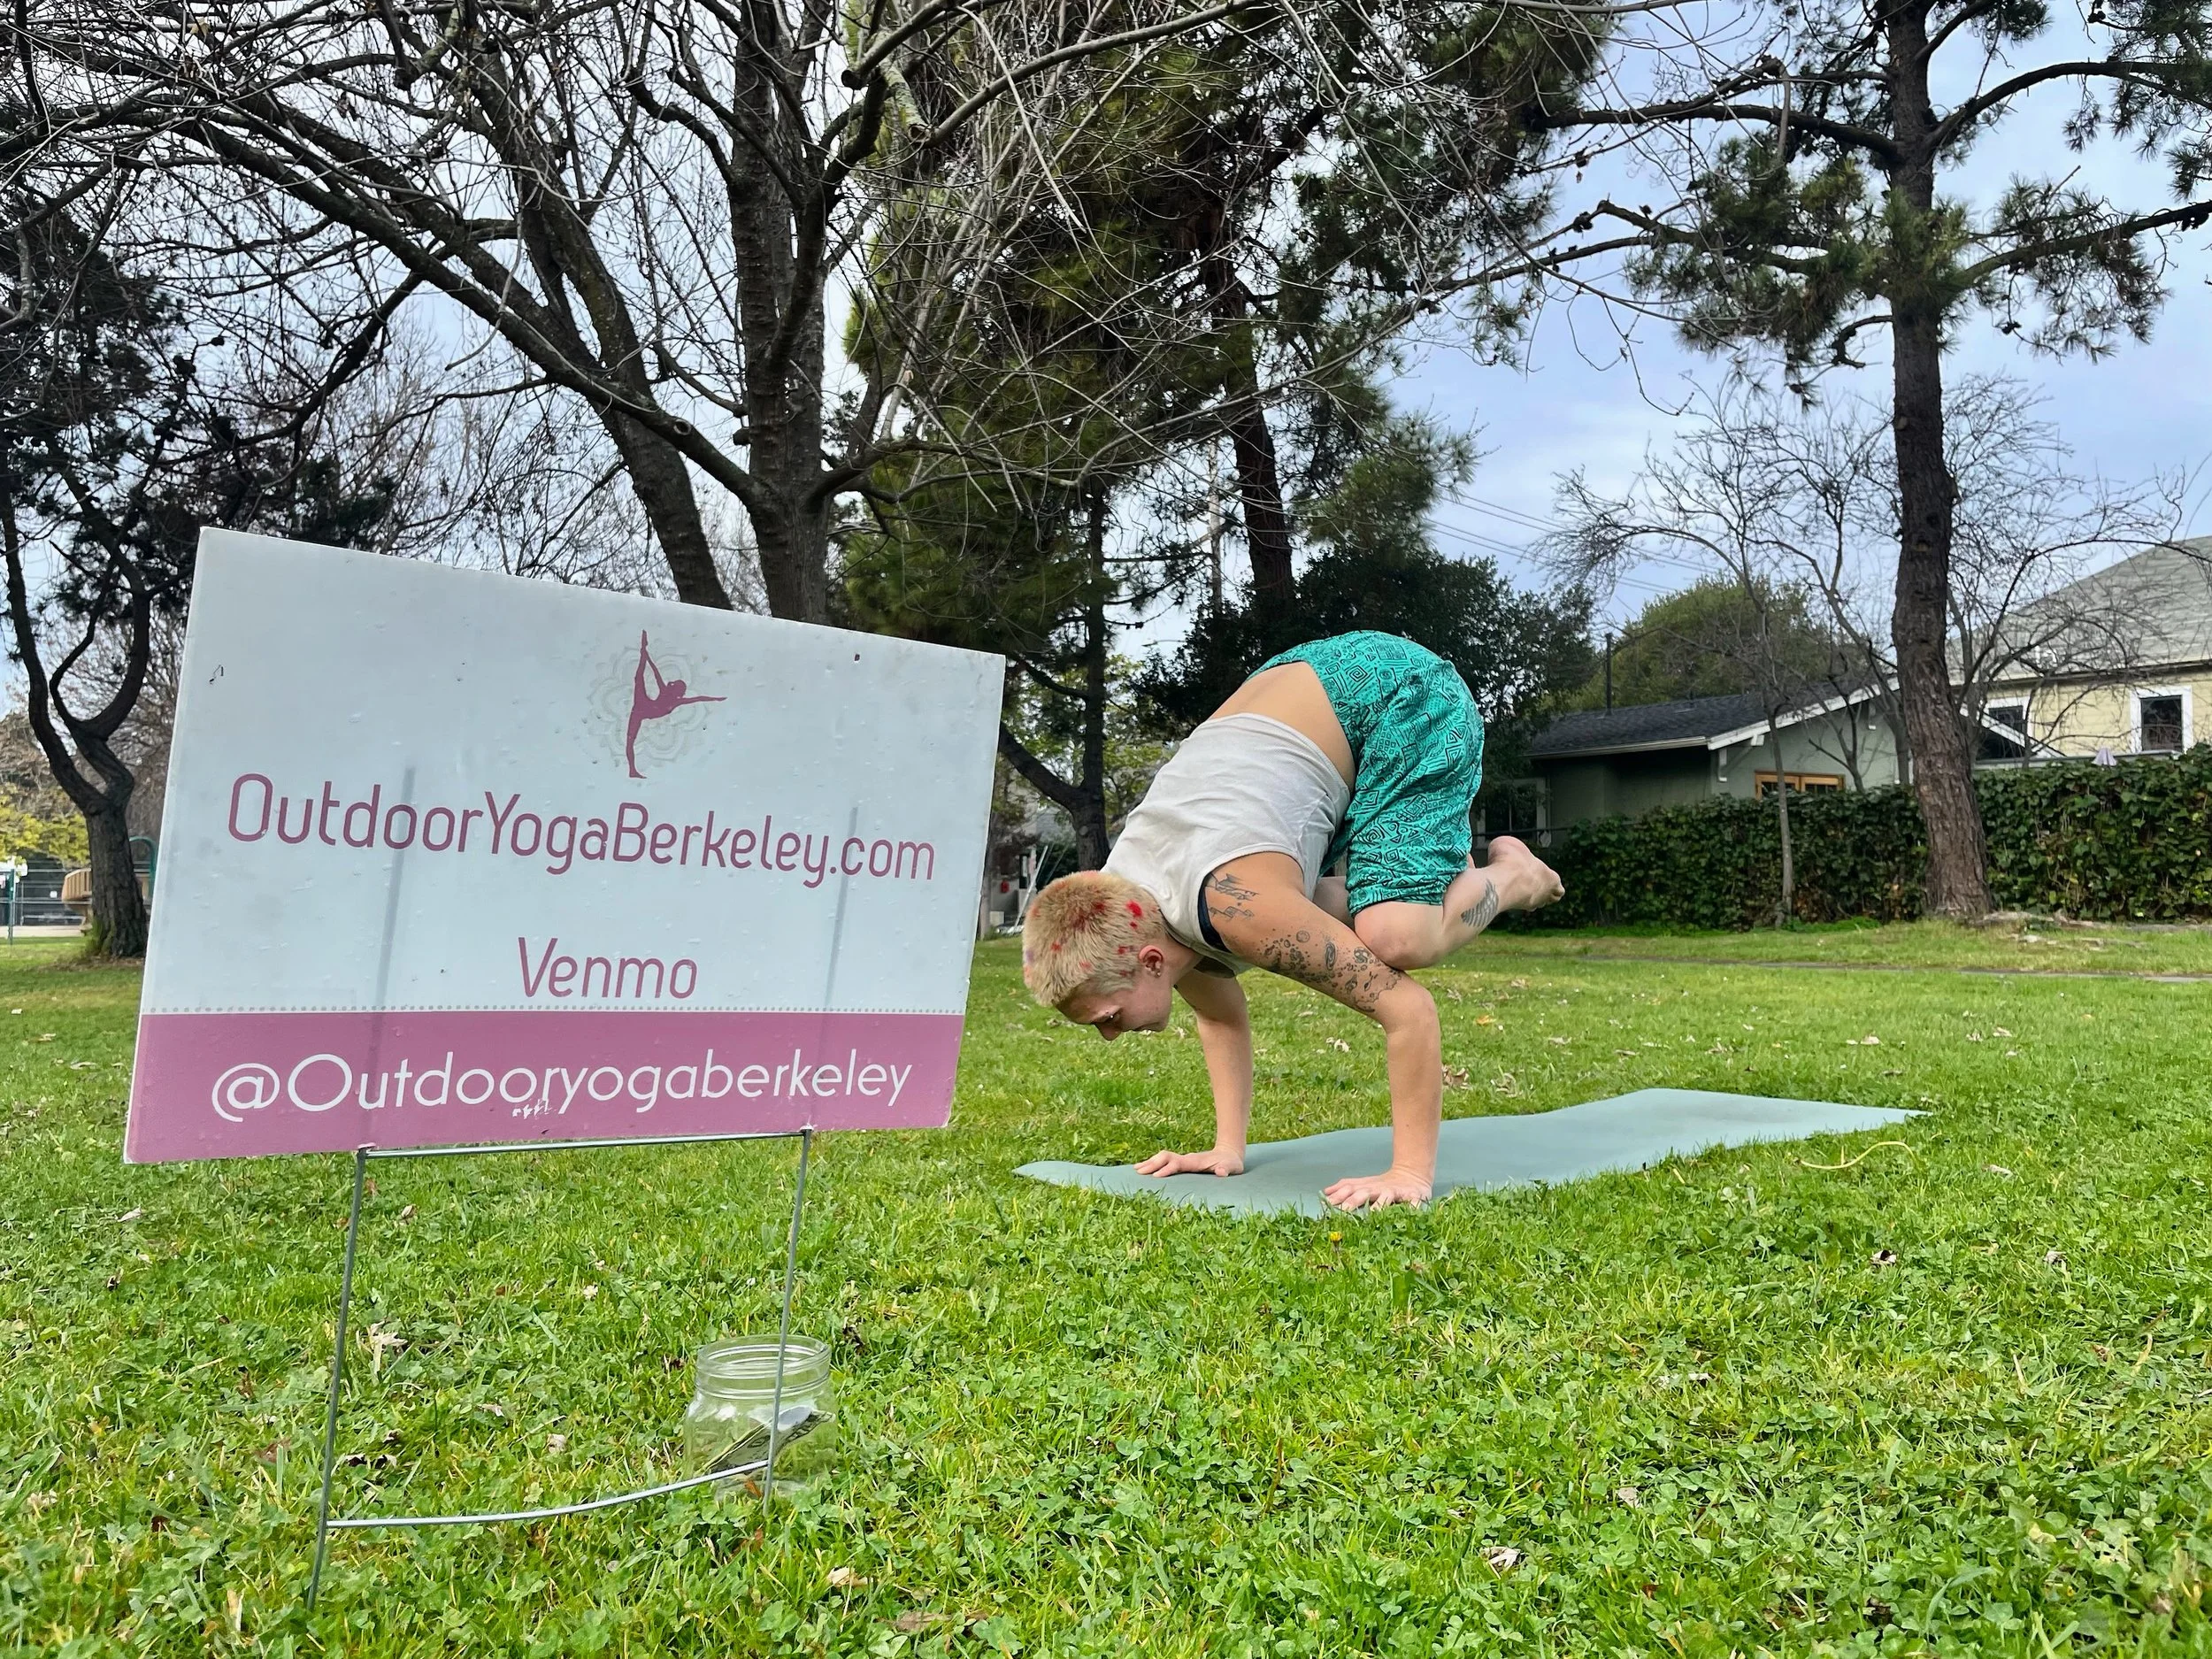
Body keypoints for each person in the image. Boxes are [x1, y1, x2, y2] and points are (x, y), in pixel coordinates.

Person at [1019, 632, 1563, 1210]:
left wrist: (1408, 1171)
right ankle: (1431, 881)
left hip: (1397, 693)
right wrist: (1228, 1149)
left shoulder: (1237, 905)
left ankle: (1512, 876)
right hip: (1291, 684)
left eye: (1107, 1017)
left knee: (1395, 934)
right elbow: (1220, 1017)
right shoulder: (1147, 915)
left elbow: (1409, 1011)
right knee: (1329, 911)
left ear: (1149, 962)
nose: (1108, 1034)